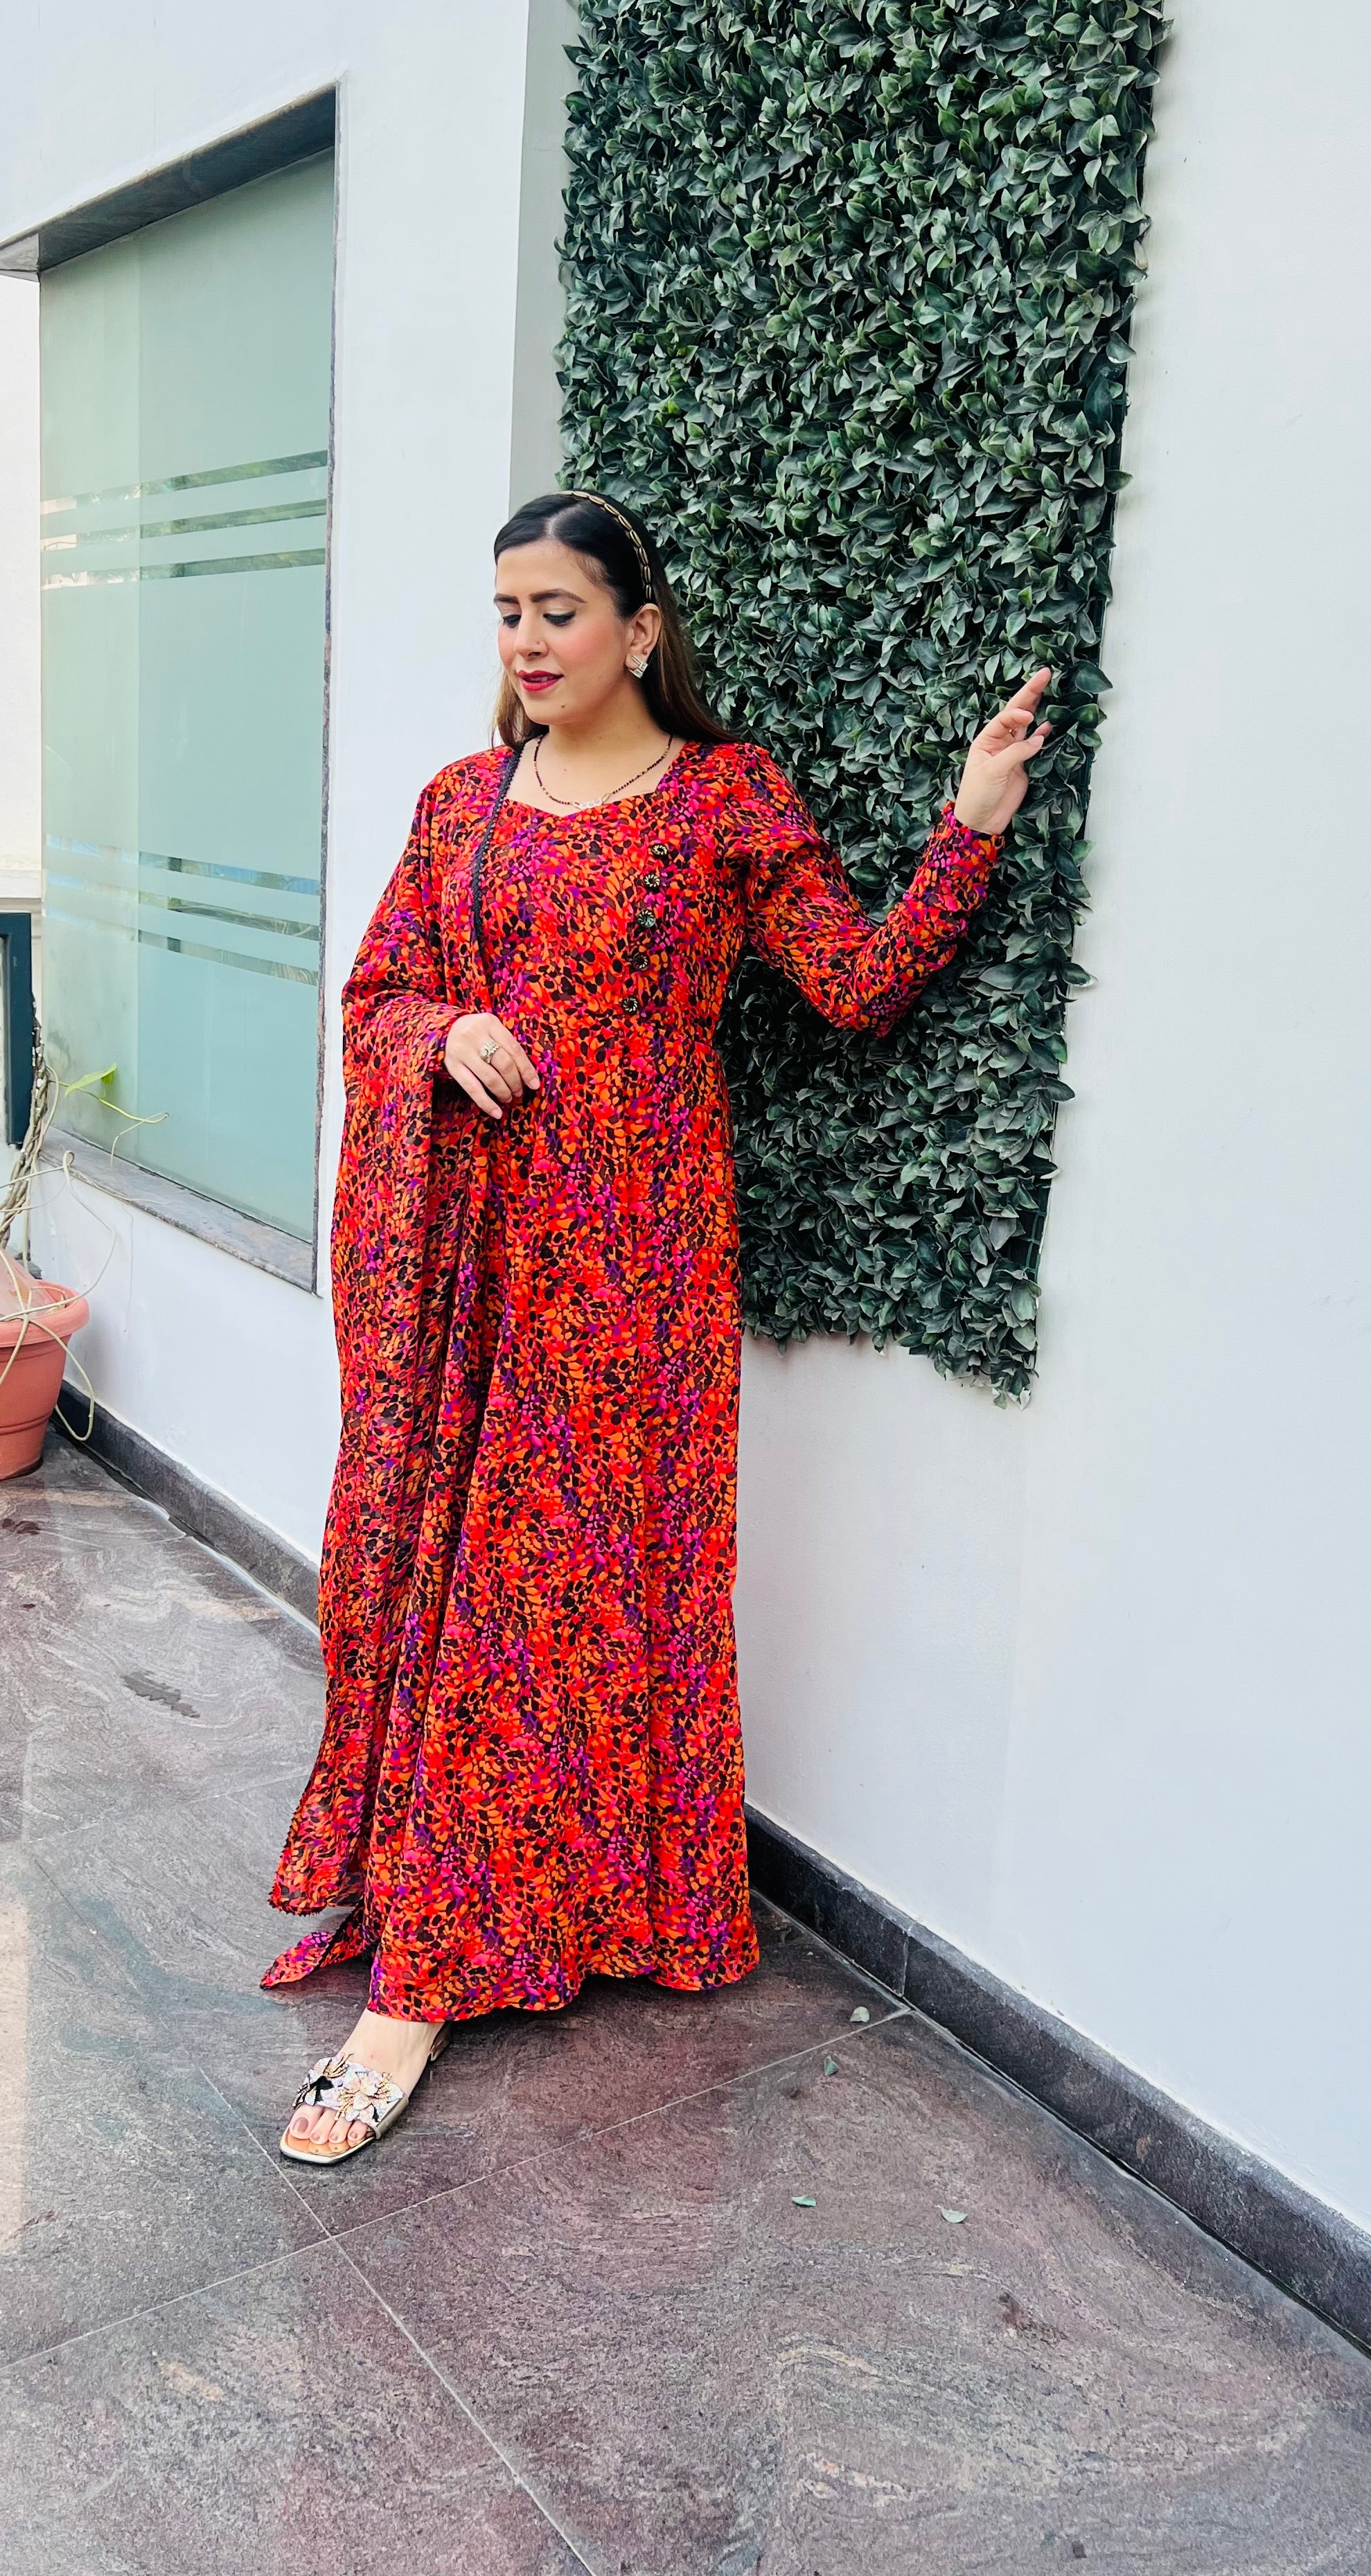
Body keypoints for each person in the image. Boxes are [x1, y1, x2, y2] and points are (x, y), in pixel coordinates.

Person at [269, 487, 1050, 2161]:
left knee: (555, 1595)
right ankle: (465, 1925)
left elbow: (854, 981)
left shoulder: (721, 800)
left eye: (557, 610)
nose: (526, 641)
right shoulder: (462, 803)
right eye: (507, 612)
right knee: (455, 1577)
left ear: (640, 628)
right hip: (472, 1259)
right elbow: (377, 994)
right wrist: (443, 1029)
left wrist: (968, 823)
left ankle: (443, 1970)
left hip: (634, 1268)